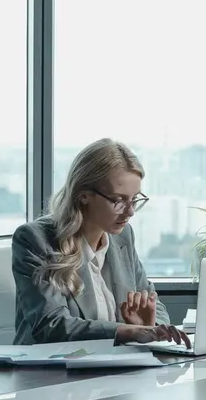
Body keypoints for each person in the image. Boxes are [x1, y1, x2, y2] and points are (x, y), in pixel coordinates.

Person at [12, 138, 190, 346]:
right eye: (118, 200)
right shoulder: (35, 239)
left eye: (135, 199)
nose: (130, 211)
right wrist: (128, 331)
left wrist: (150, 328)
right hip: (49, 372)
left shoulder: (122, 236)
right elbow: (52, 326)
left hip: (111, 368)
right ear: (84, 196)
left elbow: (154, 303)